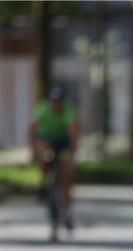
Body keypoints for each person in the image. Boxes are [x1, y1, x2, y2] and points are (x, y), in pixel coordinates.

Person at [29, 86, 79, 233]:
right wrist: (33, 149)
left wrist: (72, 151)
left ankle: (67, 211)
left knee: (67, 172)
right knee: (44, 155)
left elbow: (73, 132)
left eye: (58, 101)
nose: (56, 104)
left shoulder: (68, 111)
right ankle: (43, 184)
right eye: (53, 101)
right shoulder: (43, 109)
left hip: (63, 140)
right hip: (47, 139)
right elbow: (32, 128)